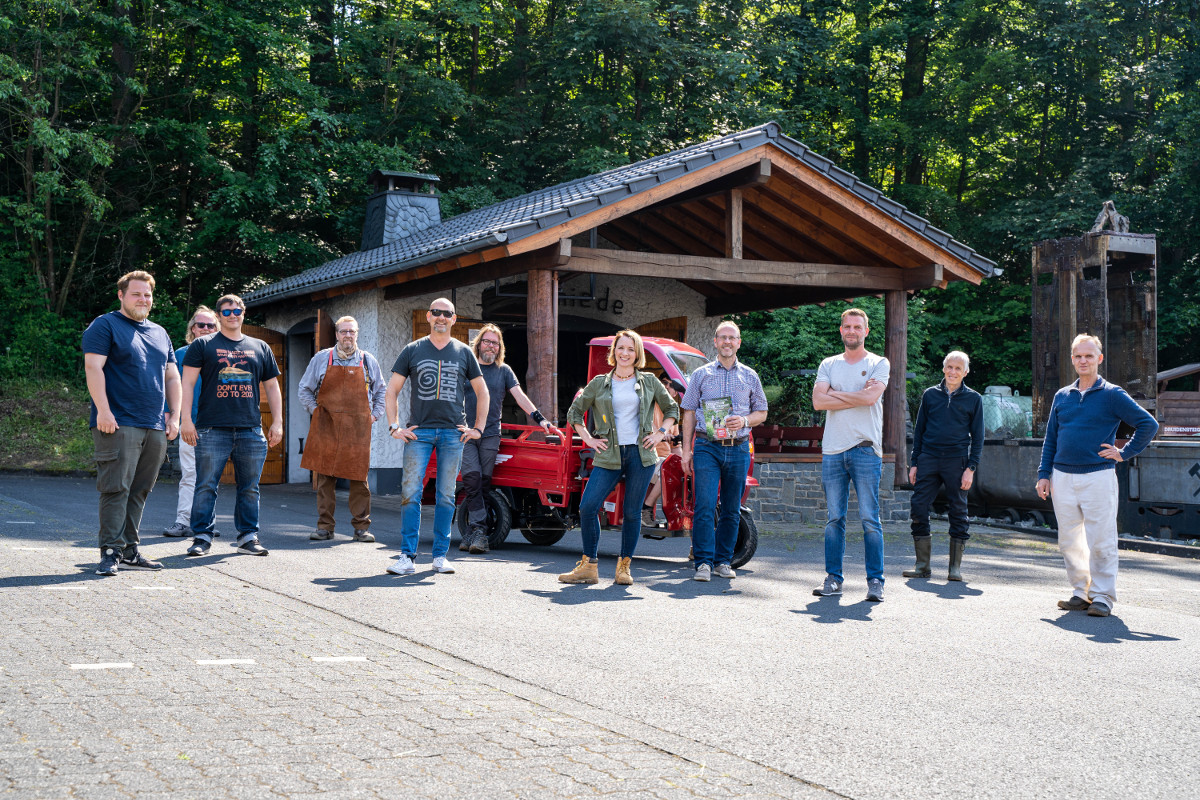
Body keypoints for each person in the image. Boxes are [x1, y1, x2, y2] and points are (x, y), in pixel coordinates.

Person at [1036, 334, 1158, 617]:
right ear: (1072, 359)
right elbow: (1051, 438)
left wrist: (1123, 452)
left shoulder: (1112, 394)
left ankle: (1103, 596)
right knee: (1069, 540)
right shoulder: (1062, 396)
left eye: (1089, 356)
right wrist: (1044, 474)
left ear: (1099, 359)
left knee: (1101, 539)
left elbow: (1148, 424)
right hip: (1062, 477)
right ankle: (1081, 592)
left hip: (1098, 476)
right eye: (1078, 356)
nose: (1083, 360)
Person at [559, 330, 679, 586]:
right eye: (621, 348)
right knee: (588, 506)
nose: (625, 353)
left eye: (631, 349)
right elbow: (574, 413)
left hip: (640, 454)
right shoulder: (600, 382)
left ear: (638, 354)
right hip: (608, 454)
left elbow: (672, 409)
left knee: (632, 512)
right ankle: (589, 566)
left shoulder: (649, 382)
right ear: (614, 351)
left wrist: (659, 434)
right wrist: (589, 439)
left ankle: (624, 567)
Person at [82, 271, 181, 576]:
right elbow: (93, 367)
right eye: (136, 294)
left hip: (154, 425)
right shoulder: (105, 325)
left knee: (140, 490)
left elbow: (172, 375)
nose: (143, 300)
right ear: (121, 296)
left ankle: (129, 551)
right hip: (118, 421)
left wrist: (174, 415)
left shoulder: (159, 333)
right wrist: (103, 411)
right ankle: (110, 551)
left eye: (147, 295)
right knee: (116, 488)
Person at [385, 298, 488, 576]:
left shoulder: (464, 352)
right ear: (429, 316)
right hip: (419, 432)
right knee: (410, 493)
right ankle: (407, 557)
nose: (441, 317)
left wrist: (477, 428)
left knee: (445, 496)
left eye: (447, 314)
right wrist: (394, 427)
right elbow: (391, 390)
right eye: (437, 313)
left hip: (453, 433)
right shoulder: (413, 350)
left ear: (454, 319)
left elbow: (483, 392)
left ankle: (440, 557)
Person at [180, 294, 283, 557]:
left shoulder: (260, 347)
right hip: (211, 427)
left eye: (237, 310)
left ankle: (248, 537)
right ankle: (202, 537)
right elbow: (187, 384)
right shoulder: (203, 345)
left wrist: (278, 423)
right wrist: (186, 420)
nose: (232, 315)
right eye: (226, 312)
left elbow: (272, 386)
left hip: (250, 428)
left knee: (249, 487)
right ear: (218, 316)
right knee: (205, 484)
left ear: (243, 313)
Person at [812, 308, 890, 601]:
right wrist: (854, 395)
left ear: (866, 331)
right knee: (835, 520)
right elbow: (818, 402)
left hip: (865, 451)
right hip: (833, 450)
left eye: (857, 327)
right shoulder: (829, 364)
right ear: (841, 330)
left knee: (870, 519)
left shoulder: (878, 362)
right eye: (847, 326)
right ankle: (833, 579)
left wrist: (836, 394)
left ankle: (875, 582)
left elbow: (871, 398)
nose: (852, 331)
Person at [680, 321, 767, 582]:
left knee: (731, 508)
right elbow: (688, 413)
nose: (727, 342)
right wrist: (686, 451)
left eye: (732, 338)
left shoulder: (750, 375)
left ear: (738, 342)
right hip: (707, 446)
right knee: (704, 506)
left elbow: (762, 412)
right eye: (723, 338)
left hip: (738, 447)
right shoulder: (701, 375)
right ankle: (703, 563)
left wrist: (744, 421)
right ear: (716, 341)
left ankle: (723, 561)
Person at [459, 323, 553, 553]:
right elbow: (452, 396)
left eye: (495, 342)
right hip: (465, 435)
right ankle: (480, 531)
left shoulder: (504, 371)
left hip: (490, 435)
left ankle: (472, 532)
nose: (490, 346)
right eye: (487, 341)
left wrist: (541, 420)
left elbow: (520, 397)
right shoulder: (467, 366)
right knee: (471, 481)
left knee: (483, 483)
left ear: (499, 347)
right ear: (479, 343)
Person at [298, 316, 387, 543]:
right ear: (337, 334)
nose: (348, 335)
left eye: (352, 331)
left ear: (357, 334)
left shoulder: (367, 361)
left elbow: (381, 392)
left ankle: (361, 528)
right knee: (325, 477)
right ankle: (325, 527)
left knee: (359, 479)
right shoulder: (322, 359)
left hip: (358, 429)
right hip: (326, 426)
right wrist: (316, 411)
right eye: (344, 331)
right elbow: (304, 389)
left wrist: (374, 416)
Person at [905, 351, 984, 581]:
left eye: (958, 368)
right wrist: (914, 463)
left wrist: (971, 468)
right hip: (928, 458)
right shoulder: (930, 395)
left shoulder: (974, 399)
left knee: (958, 511)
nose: (952, 372)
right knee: (918, 506)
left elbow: (978, 437)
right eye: (949, 367)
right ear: (943, 369)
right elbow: (919, 431)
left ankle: (954, 569)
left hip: (956, 460)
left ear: (965, 372)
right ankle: (922, 566)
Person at [162, 306, 217, 538]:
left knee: (210, 479)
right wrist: (170, 414)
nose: (205, 329)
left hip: (218, 427)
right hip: (191, 425)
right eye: (201, 325)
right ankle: (183, 521)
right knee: (190, 475)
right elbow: (169, 386)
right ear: (192, 329)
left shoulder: (225, 353)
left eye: (210, 325)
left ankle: (205, 525)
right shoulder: (181, 355)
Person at [642, 375, 684, 526]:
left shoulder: (673, 409)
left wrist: (685, 461)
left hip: (664, 458)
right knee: (668, 471)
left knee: (686, 472)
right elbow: (648, 429)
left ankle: (679, 515)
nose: (667, 386)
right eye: (664, 383)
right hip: (649, 456)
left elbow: (675, 446)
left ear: (675, 393)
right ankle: (646, 508)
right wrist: (661, 434)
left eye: (671, 385)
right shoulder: (649, 403)